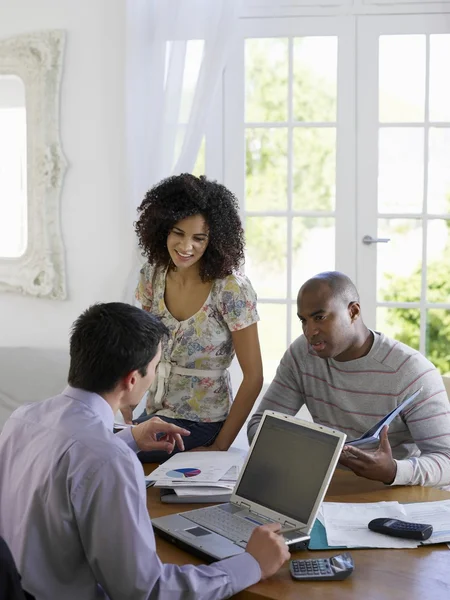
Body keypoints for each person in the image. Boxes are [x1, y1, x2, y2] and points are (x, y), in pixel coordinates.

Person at [0, 303, 289, 600]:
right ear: (132, 379)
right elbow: (146, 590)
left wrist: (130, 438)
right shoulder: (108, 460)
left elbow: (67, 464)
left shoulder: (23, 419)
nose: (155, 376)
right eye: (155, 367)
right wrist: (250, 564)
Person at [247, 271, 450, 487]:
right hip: (328, 487)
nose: (309, 331)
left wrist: (393, 470)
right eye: (303, 320)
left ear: (353, 312)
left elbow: (446, 460)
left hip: (394, 493)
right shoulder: (302, 355)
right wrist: (319, 448)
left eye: (319, 317)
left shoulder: (411, 371)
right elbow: (259, 426)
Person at [130, 173, 263, 463]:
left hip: (202, 423)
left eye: (198, 238)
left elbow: (254, 377)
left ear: (213, 239)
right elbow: (139, 350)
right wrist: (127, 411)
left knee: (117, 457)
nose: (186, 246)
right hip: (155, 413)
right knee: (96, 449)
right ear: (162, 228)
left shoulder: (231, 289)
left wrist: (220, 448)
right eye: (178, 233)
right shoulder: (152, 276)